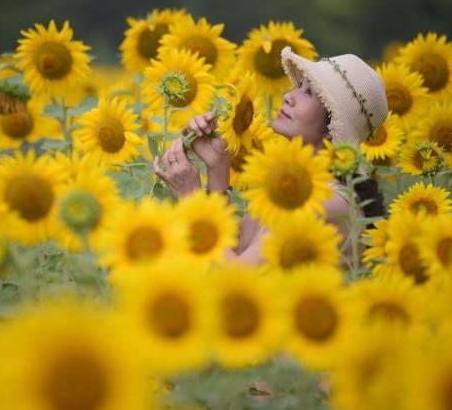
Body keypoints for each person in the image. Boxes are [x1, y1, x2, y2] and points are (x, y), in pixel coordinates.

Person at [153, 46, 388, 265]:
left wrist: (191, 200)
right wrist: (218, 166)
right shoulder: (295, 184)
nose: (289, 96)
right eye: (298, 86)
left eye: (308, 93)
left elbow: (234, 282)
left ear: (332, 126)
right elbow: (237, 245)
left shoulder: (325, 202)